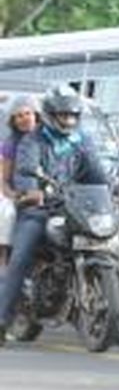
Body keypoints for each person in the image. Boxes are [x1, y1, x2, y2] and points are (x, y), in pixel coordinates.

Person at [0, 86, 108, 346]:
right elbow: (24, 172)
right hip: (40, 209)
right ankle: (2, 319)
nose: (68, 120)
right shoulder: (32, 140)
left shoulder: (82, 140)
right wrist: (31, 191)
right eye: (63, 115)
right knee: (21, 258)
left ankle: (110, 317)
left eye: (72, 116)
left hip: (75, 207)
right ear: (50, 114)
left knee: (109, 245)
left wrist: (110, 190)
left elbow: (96, 174)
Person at [0, 95, 40, 267]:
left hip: (47, 193)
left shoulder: (47, 139)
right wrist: (14, 195)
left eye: (27, 113)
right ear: (13, 121)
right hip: (19, 193)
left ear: (36, 115)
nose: (24, 119)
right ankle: (4, 260)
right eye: (19, 116)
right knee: (8, 213)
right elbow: (4, 180)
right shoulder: (10, 144)